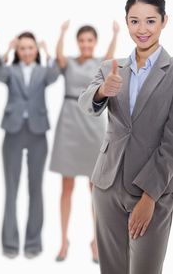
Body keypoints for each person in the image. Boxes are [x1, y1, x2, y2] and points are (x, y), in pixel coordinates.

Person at [78, 0, 173, 274]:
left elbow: (171, 143)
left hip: (151, 189)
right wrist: (101, 91)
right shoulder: (111, 67)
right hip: (106, 185)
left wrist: (149, 197)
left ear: (164, 21)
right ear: (126, 22)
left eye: (150, 21)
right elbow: (85, 103)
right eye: (134, 21)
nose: (142, 29)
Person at [49, 20, 119, 262]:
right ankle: (63, 241)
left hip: (93, 125)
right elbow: (58, 56)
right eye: (82, 40)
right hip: (69, 125)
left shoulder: (101, 64)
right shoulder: (68, 62)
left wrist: (115, 34)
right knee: (66, 187)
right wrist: (62, 32)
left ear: (94, 43)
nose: (86, 44)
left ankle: (96, 242)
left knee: (95, 190)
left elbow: (111, 56)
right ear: (77, 42)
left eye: (90, 40)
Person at [0, 33, 60, 259]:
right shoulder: (10, 70)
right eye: (22, 48)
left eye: (30, 48)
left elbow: (55, 75)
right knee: (11, 189)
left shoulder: (43, 71)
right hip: (13, 131)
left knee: (36, 188)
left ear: (36, 50)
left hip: (37, 132)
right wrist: (5, 50)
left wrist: (49, 51)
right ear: (17, 51)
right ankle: (10, 244)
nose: (26, 52)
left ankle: (33, 243)